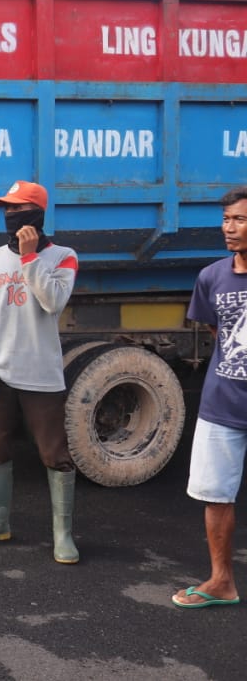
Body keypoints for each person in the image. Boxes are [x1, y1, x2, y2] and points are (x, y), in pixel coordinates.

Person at [0, 180, 80, 564]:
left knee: (55, 454)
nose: (10, 215)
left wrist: (28, 258)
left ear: (37, 214)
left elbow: (52, 301)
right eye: (6, 209)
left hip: (41, 374)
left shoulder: (63, 256)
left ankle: (63, 534)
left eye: (17, 209)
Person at [172, 185, 247, 609]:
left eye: (238, 219)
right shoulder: (211, 277)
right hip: (223, 405)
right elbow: (220, 335)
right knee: (216, 494)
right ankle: (222, 582)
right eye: (225, 219)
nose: (228, 228)